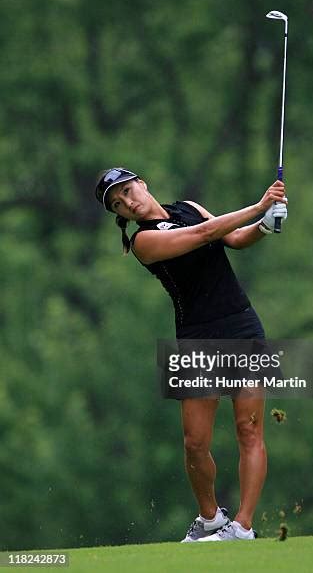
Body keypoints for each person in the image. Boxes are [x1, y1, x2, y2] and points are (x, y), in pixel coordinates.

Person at [95, 167, 287, 542]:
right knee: (195, 442)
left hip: (242, 326)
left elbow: (234, 238)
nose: (128, 201)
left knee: (249, 430)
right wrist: (260, 204)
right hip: (196, 338)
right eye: (118, 203)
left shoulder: (188, 207)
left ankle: (243, 528)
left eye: (127, 190)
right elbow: (205, 234)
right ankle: (211, 519)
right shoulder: (144, 242)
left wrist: (265, 223)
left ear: (142, 183)